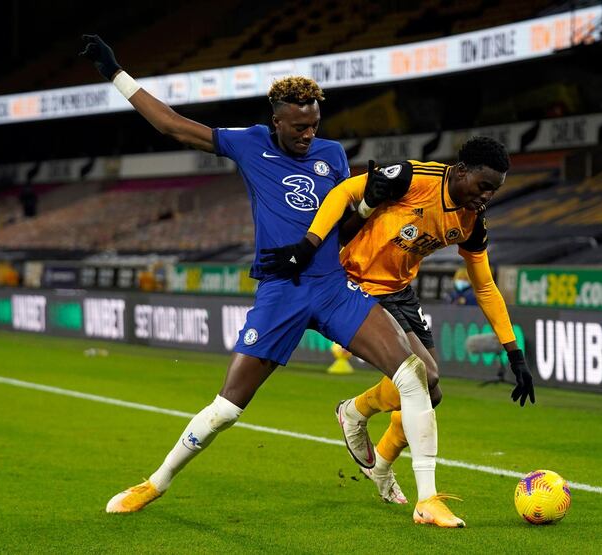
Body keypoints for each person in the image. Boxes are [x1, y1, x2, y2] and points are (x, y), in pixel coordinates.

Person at [79, 35, 464, 528]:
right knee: (226, 409)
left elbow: (341, 229)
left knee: (413, 376)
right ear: (276, 121)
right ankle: (154, 483)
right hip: (281, 293)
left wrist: (368, 203)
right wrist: (115, 72)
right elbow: (172, 125)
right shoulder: (248, 143)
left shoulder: (332, 154)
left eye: (314, 125)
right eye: (298, 127)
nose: (307, 135)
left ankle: (427, 500)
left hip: (331, 285)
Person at [261, 137, 535, 505]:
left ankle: (380, 463)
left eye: (494, 191)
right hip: (355, 283)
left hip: (400, 291)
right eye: (483, 186)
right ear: (462, 171)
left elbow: (484, 286)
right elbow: (344, 191)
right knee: (428, 376)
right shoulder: (413, 178)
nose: (486, 196)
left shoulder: (472, 222)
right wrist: (310, 244)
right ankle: (355, 411)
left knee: (431, 394)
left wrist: (513, 352)